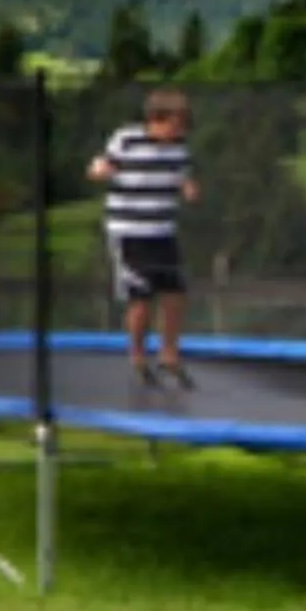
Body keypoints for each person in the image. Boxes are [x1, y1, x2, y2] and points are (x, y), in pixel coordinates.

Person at [88, 87, 200, 388]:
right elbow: (101, 164)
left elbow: (183, 176)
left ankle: (169, 354)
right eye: (175, 124)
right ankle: (138, 356)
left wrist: (188, 188)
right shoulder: (127, 139)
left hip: (163, 231)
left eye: (182, 125)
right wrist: (100, 170)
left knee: (175, 295)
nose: (179, 130)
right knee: (141, 300)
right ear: (156, 119)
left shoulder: (179, 148)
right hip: (129, 232)